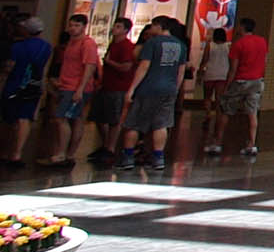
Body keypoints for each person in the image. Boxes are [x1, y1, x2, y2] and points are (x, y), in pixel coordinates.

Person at [119, 17, 188, 170]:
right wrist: (175, 89)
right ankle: (158, 158)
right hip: (168, 89)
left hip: (148, 88)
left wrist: (132, 89)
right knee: (161, 124)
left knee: (134, 123)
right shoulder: (181, 46)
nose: (150, 30)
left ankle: (128, 157)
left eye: (152, 26)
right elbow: (181, 71)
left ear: (159, 26)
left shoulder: (152, 43)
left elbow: (144, 66)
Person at [41, 13, 100, 168]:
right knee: (75, 119)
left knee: (62, 118)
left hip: (75, 87)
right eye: (71, 25)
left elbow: (90, 66)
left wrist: (80, 89)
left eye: (77, 26)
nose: (73, 29)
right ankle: (68, 154)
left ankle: (62, 154)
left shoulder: (87, 44)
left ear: (84, 27)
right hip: (67, 85)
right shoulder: (71, 43)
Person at [2, 16, 52, 170]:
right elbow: (44, 68)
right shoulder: (46, 47)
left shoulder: (17, 47)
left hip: (15, 84)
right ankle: (17, 153)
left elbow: (10, 66)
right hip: (33, 85)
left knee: (9, 120)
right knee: (25, 119)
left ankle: (5, 152)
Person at [87, 17, 135, 164]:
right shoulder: (113, 44)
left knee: (114, 119)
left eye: (119, 26)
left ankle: (111, 148)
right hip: (107, 85)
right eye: (115, 26)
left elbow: (126, 66)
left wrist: (109, 62)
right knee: (100, 117)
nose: (114, 29)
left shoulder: (126, 46)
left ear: (126, 30)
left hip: (119, 87)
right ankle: (106, 144)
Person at [221, 17, 268, 156]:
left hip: (241, 80)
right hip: (257, 81)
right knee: (252, 112)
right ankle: (252, 143)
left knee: (226, 109)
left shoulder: (238, 44)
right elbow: (264, 60)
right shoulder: (262, 42)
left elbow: (233, 69)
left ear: (242, 27)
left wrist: (227, 85)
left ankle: (217, 141)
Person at [198, 27, 231, 154]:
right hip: (223, 75)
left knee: (207, 96)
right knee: (219, 99)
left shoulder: (209, 45)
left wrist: (200, 72)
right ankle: (218, 115)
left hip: (210, 74)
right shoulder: (228, 46)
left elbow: (204, 60)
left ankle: (208, 114)